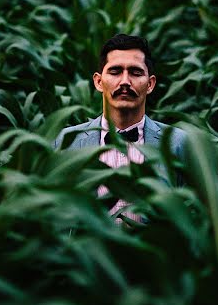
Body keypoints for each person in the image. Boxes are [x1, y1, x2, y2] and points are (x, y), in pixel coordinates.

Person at [53, 34, 186, 222]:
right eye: (115, 72)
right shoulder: (67, 141)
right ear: (98, 82)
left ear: (150, 84)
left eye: (135, 72)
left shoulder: (178, 144)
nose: (125, 81)